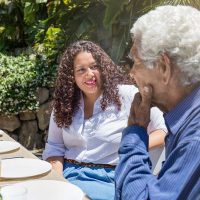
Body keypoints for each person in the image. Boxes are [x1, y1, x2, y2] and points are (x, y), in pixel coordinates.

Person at [42, 40, 167, 200]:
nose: (90, 74)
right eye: (81, 70)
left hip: (109, 178)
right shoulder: (65, 104)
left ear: (103, 67)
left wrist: (129, 147)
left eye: (94, 67)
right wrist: (56, 180)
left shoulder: (127, 95)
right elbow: (55, 148)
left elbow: (162, 131)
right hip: (68, 174)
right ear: (71, 76)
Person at [115, 5, 200, 200]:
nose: (132, 73)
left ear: (163, 67)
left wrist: (134, 135)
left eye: (136, 62)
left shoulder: (195, 139)